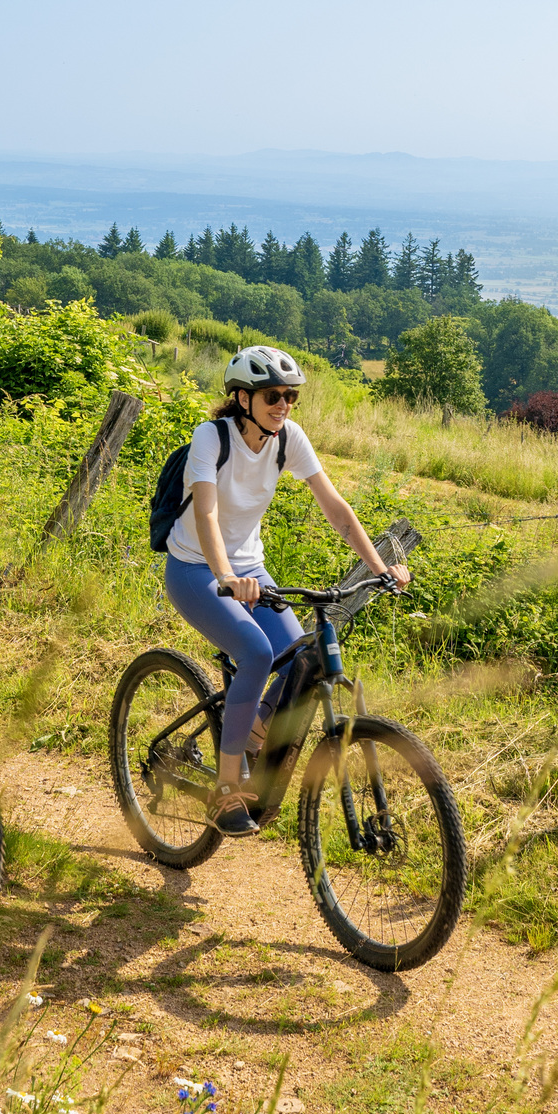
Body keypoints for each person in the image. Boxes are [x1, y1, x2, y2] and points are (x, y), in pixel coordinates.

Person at [162, 345, 409, 838]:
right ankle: (227, 787)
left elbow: (336, 508)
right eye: (273, 395)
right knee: (255, 652)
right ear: (242, 398)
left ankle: (252, 728)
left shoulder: (287, 438)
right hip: (194, 567)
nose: (284, 405)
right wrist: (226, 576)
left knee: (301, 657)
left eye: (291, 396)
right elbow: (207, 513)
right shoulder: (211, 437)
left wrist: (382, 567)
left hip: (252, 567)